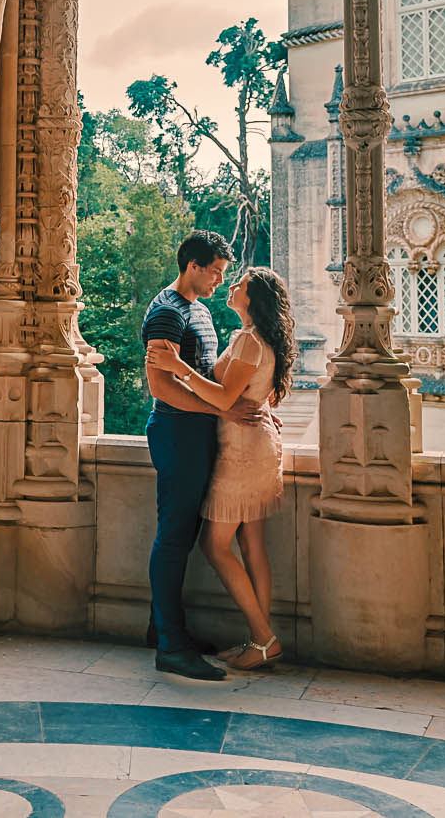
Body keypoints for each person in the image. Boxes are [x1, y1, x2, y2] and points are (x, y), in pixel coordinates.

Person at [149, 266, 297, 669]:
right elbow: (250, 394)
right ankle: (259, 643)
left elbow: (225, 397)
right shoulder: (257, 338)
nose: (230, 286)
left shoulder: (249, 340)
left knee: (215, 545)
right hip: (256, 445)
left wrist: (178, 367)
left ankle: (264, 638)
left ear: (253, 298)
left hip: (243, 453)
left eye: (239, 283)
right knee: (251, 546)